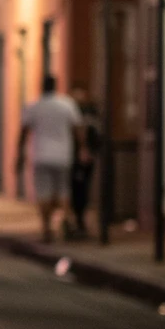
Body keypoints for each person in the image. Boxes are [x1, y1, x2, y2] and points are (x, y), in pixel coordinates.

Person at [16, 75, 84, 243]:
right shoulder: (66, 104)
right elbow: (78, 129)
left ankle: (47, 229)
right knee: (63, 190)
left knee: (44, 193)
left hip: (41, 155)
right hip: (63, 155)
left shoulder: (34, 106)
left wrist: (20, 154)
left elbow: (23, 132)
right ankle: (67, 220)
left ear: (41, 87)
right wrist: (82, 149)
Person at [69, 87, 101, 238]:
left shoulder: (90, 113)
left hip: (84, 158)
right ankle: (77, 221)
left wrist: (88, 150)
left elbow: (94, 134)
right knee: (75, 190)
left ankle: (80, 221)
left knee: (82, 189)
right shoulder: (71, 111)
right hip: (73, 157)